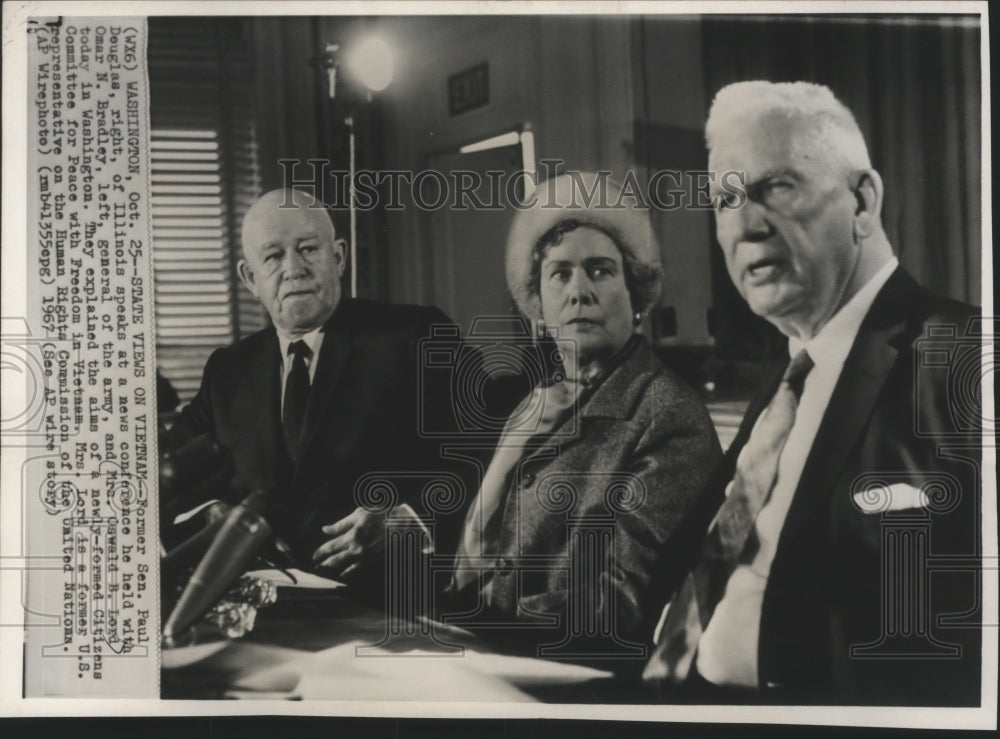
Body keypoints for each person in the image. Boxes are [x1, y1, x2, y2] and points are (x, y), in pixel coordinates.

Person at [644, 81, 982, 705]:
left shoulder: (965, 357)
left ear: (862, 202)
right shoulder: (784, 385)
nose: (745, 224)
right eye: (724, 200)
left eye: (777, 186)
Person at [443, 173, 722, 667]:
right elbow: (470, 571)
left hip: (573, 679)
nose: (579, 292)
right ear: (539, 308)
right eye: (560, 274)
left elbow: (616, 609)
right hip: (489, 658)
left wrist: (494, 621)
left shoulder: (668, 416)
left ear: (637, 300)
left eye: (600, 271)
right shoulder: (532, 407)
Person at [162, 188, 457, 585]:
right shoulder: (227, 371)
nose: (293, 268)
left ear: (338, 257)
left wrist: (409, 520)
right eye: (273, 256)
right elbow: (171, 482)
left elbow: (482, 455)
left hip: (388, 602)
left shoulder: (414, 336)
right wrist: (215, 517)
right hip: (265, 606)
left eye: (308, 249)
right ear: (250, 278)